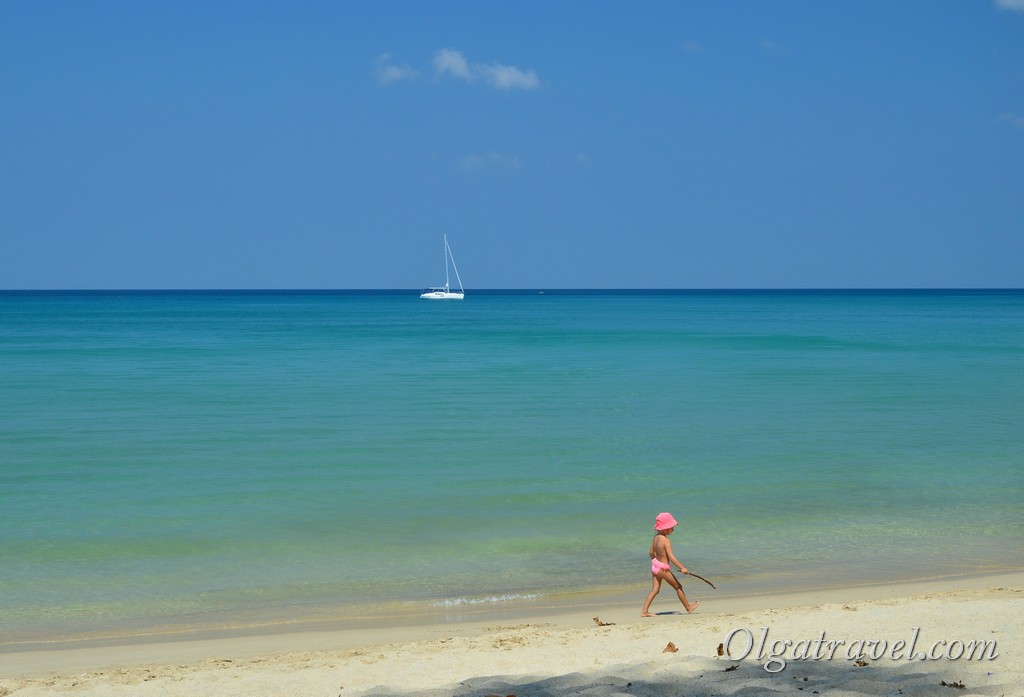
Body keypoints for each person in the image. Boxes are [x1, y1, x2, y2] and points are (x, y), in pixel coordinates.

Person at [641, 512, 700, 616]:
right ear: (665, 528)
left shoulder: (656, 537)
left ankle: (644, 611)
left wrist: (656, 562)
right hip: (663, 569)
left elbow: (651, 553)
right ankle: (688, 607)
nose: (673, 529)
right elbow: (672, 557)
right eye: (671, 527)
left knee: (655, 590)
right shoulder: (666, 541)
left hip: (655, 567)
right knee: (678, 587)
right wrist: (682, 568)